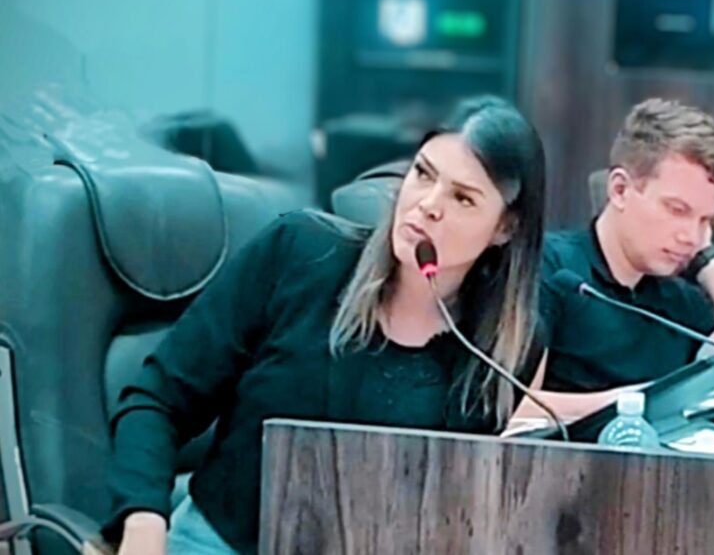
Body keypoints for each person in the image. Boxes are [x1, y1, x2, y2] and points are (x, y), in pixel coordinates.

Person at [102, 95, 547, 555]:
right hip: (221, 543)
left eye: (462, 198)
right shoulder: (299, 254)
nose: (428, 205)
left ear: (505, 229)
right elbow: (156, 400)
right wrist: (143, 525)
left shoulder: (501, 350)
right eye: (423, 173)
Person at [515, 98, 714, 423]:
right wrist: (635, 403)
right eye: (677, 210)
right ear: (619, 190)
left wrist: (708, 260)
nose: (690, 235)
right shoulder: (550, 269)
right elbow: (508, 405)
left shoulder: (682, 297)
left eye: (705, 220)